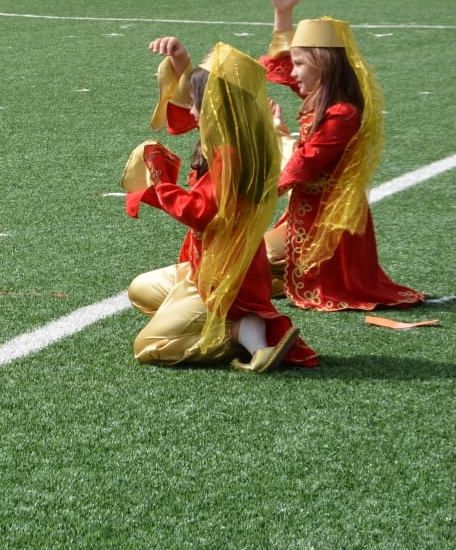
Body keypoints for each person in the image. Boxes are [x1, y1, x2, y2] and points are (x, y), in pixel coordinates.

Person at [124, 41, 316, 372]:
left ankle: (240, 331)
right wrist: (182, 62)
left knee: (148, 347)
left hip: (224, 278)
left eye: (198, 104)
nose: (192, 112)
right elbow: (191, 110)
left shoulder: (229, 153)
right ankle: (224, 320)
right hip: (214, 266)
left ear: (216, 107)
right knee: (140, 290)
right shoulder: (237, 138)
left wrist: (159, 183)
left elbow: (200, 213)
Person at [259, 0, 426, 310]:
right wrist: (282, 15)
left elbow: (308, 159)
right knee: (255, 259)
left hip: (330, 217)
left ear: (323, 65)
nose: (293, 73)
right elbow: (281, 64)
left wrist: (264, 193)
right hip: (307, 210)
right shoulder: (321, 98)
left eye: (301, 64)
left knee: (256, 258)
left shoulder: (342, 112)